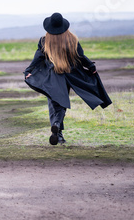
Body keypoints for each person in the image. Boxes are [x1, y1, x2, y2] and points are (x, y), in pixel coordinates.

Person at [24, 12, 112, 145]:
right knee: (61, 102)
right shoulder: (72, 39)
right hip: (70, 74)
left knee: (55, 102)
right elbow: (81, 56)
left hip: (52, 75)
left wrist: (28, 71)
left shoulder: (44, 40)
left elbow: (38, 57)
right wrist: (91, 67)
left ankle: (57, 127)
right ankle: (58, 131)